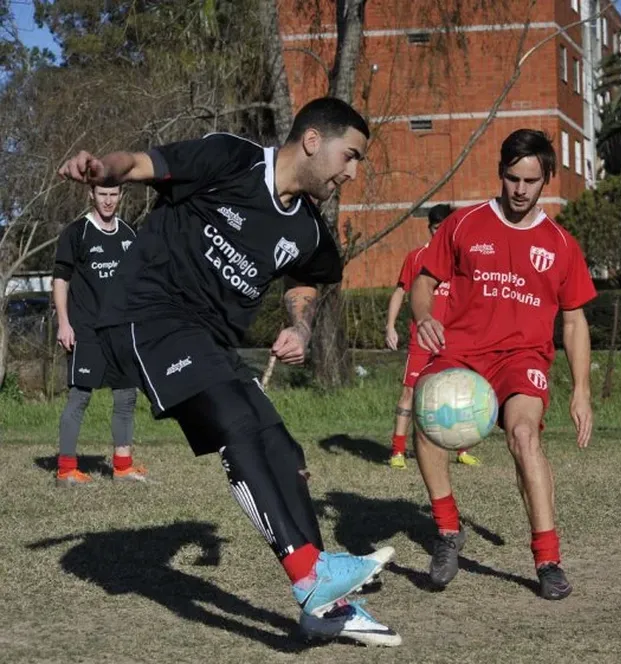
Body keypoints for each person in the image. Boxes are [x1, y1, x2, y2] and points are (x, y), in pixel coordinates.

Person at [57, 97, 400, 647]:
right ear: (313, 141)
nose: (353, 173)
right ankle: (309, 576)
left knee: (283, 450)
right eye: (351, 156)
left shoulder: (309, 231)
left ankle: (326, 606)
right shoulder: (231, 159)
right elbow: (140, 165)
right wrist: (104, 168)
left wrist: (301, 327)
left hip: (210, 342)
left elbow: (310, 277)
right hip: (148, 314)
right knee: (237, 423)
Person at [410, 129, 596, 600]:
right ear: (501, 173)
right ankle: (448, 531)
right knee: (426, 416)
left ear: (547, 179)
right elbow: (424, 281)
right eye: (513, 178)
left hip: (522, 357)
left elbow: (574, 321)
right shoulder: (464, 224)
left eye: (531, 181)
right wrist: (425, 316)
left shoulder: (561, 244)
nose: (520, 190)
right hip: (463, 352)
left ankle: (548, 559)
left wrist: (581, 391)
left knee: (524, 435)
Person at [52, 185, 144, 486]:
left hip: (120, 331)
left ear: (121, 196)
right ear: (91, 194)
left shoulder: (129, 234)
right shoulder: (76, 232)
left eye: (113, 194)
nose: (108, 200)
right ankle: (66, 470)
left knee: (126, 395)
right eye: (102, 194)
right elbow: (60, 280)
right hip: (86, 330)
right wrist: (64, 323)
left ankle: (123, 467)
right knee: (79, 397)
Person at [384, 203, 480, 469]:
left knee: (459, 391)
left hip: (453, 339)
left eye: (445, 227)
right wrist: (390, 326)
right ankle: (397, 451)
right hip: (422, 338)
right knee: (410, 391)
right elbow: (400, 292)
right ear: (430, 229)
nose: (441, 232)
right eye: (436, 228)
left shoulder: (462, 259)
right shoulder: (416, 257)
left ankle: (462, 449)